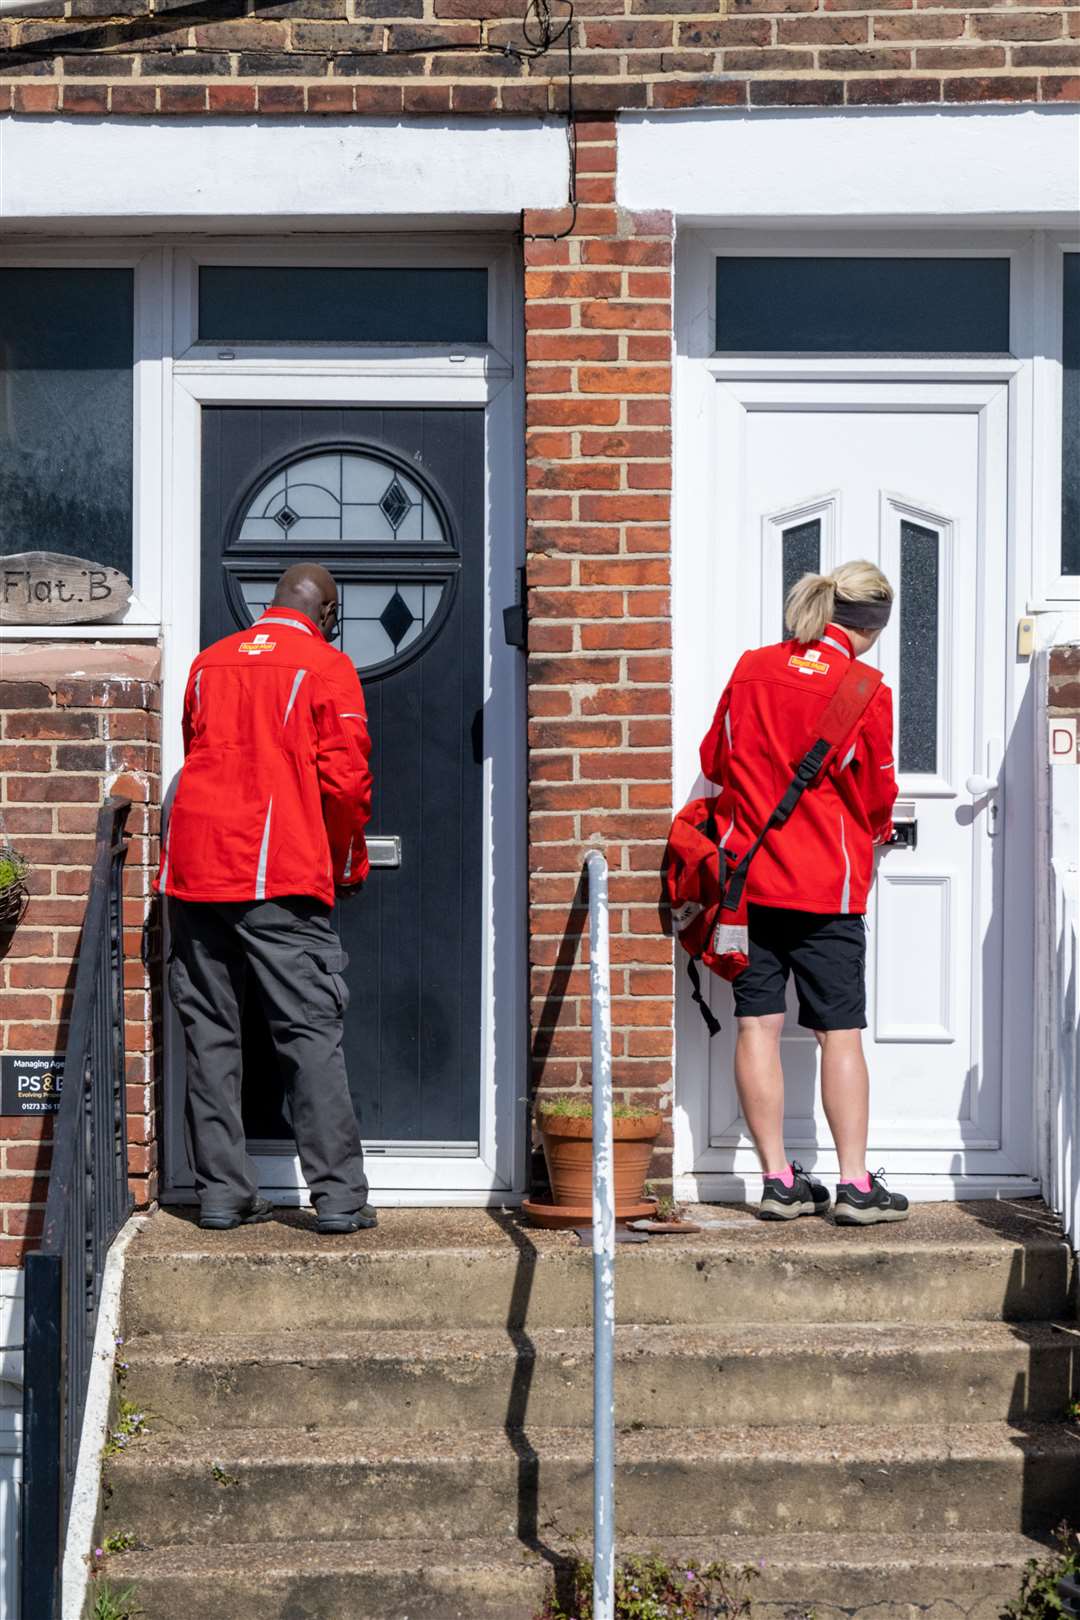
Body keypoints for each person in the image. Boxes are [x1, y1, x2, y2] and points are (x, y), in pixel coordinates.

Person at [157, 564, 378, 1235]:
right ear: (327, 610)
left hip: (194, 873)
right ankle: (338, 1197)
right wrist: (343, 858)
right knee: (309, 1034)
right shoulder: (327, 665)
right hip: (276, 870)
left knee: (211, 1036)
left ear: (272, 602)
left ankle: (223, 1193)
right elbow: (345, 784)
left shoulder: (208, 664)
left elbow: (201, 753)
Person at [699, 561, 909, 1227]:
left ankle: (778, 1180)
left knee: (756, 1023)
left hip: (749, 882)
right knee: (838, 1034)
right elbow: (877, 795)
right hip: (828, 885)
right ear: (872, 628)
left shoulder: (752, 667)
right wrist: (876, 829)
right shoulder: (865, 688)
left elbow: (714, 760)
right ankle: (852, 1185)